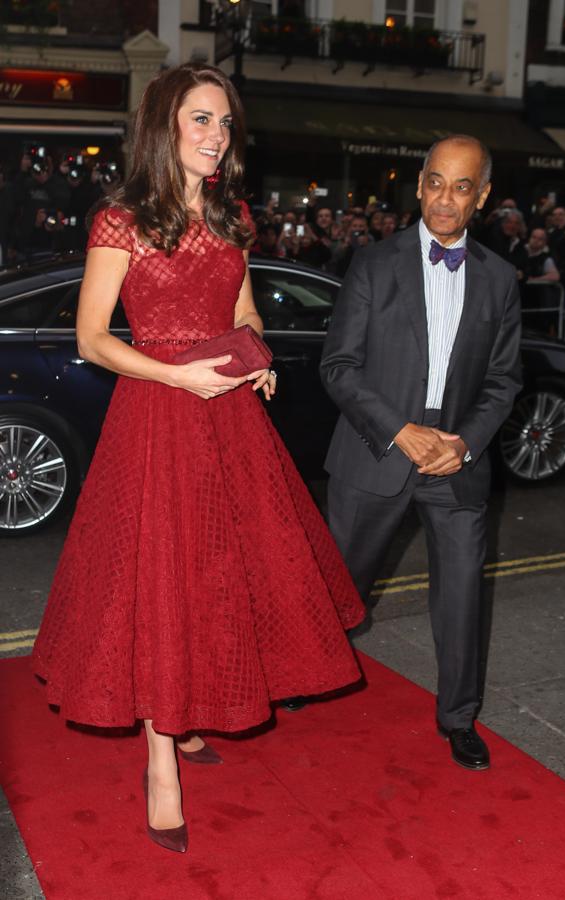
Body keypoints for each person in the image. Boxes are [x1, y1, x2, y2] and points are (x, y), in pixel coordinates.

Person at [32, 63, 364, 854]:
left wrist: (260, 356)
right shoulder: (121, 220)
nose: (217, 138)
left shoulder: (231, 214)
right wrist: (177, 373)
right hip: (157, 415)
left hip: (231, 422)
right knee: (161, 583)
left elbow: (244, 305)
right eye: (201, 121)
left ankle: (185, 719)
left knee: (222, 574)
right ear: (164, 126)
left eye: (224, 124)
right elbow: (93, 338)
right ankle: (161, 764)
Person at [320, 134, 522, 772]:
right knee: (338, 588)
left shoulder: (500, 278)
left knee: (462, 595)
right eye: (435, 181)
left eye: (462, 187)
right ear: (420, 184)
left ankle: (459, 717)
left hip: (455, 460)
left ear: (481, 196)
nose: (444, 198)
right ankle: (307, 669)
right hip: (377, 448)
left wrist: (463, 445)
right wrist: (400, 431)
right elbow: (340, 367)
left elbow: (504, 380)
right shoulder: (374, 264)